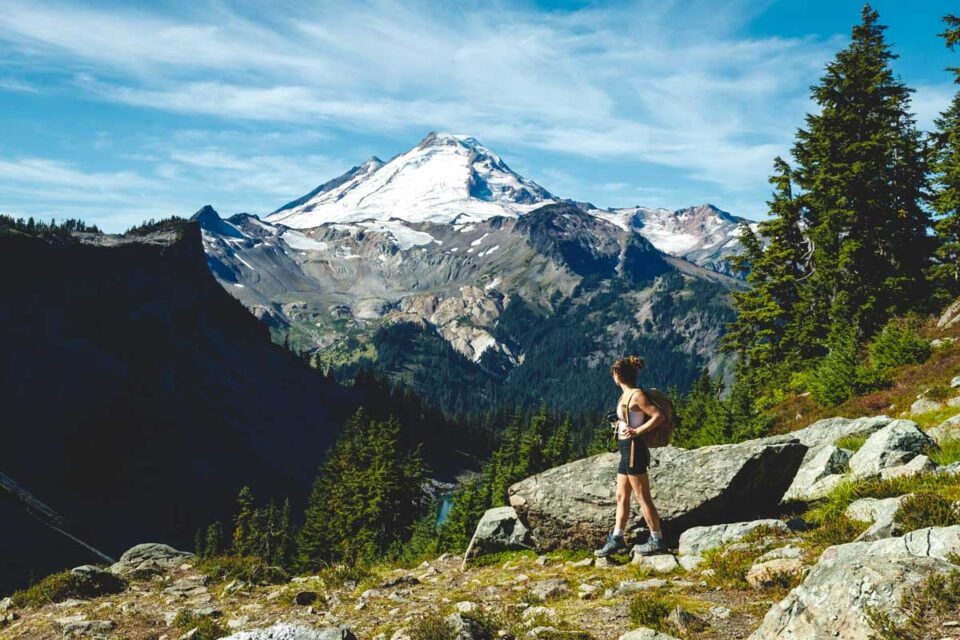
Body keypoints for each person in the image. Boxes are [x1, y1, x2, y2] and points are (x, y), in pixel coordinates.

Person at [594, 355, 666, 557]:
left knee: (643, 497)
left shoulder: (637, 395)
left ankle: (657, 540)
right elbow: (631, 419)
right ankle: (617, 538)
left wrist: (638, 431)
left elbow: (659, 416)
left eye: (613, 374)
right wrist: (618, 423)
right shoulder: (625, 395)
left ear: (618, 375)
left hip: (634, 448)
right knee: (621, 495)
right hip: (626, 448)